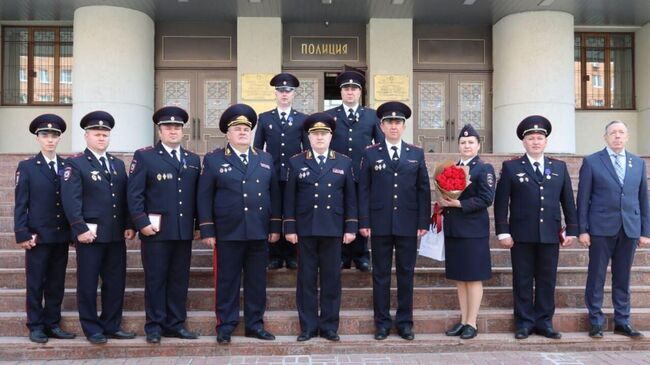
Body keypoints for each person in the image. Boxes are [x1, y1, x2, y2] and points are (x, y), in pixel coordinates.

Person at [197, 103, 281, 344]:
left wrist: (275, 226)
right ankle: (226, 325)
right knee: (227, 281)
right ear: (228, 133)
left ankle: (255, 324)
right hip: (228, 232)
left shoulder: (264, 158)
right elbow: (204, 196)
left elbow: (274, 193)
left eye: (246, 128)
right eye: (237, 129)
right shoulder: (214, 160)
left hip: (258, 230)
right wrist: (207, 228)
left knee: (257, 282)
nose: (243, 132)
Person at [493, 115, 577, 340]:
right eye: (531, 138)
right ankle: (523, 323)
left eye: (540, 138)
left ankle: (544, 322)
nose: (536, 141)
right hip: (521, 235)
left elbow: (568, 201)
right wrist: (503, 231)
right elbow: (502, 202)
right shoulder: (511, 167)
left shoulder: (558, 167)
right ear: (524, 142)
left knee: (547, 279)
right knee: (522, 279)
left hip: (550, 234)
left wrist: (572, 229)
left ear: (546, 141)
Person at [127, 106, 201, 344]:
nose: (173, 131)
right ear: (159, 130)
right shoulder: (145, 156)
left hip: (182, 231)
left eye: (177, 127)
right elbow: (134, 194)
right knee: (156, 279)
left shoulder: (192, 159)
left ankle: (176, 324)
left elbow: (197, 196)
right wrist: (141, 223)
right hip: (155, 231)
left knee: (179, 280)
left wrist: (198, 225)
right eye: (168, 127)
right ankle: (155, 325)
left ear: (183, 131)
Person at [61, 111, 136, 344]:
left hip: (114, 235)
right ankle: (92, 328)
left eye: (105, 134)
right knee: (88, 283)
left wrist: (128, 224)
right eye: (97, 134)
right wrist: (79, 228)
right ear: (86, 136)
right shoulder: (75, 163)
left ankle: (111, 325)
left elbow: (124, 198)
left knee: (115, 282)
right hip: (89, 236)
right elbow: (71, 200)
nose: (102, 137)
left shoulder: (116, 164)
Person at [358, 102, 431, 341]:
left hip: (408, 223)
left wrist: (423, 221)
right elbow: (364, 190)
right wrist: (364, 221)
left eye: (397, 122)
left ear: (404, 126)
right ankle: (381, 323)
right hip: (379, 223)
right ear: (381, 126)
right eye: (389, 122)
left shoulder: (415, 153)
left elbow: (423, 190)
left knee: (406, 273)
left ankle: (405, 323)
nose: (393, 126)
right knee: (380, 274)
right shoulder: (370, 153)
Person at [283, 112, 357, 342]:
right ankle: (307, 326)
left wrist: (351, 228)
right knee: (306, 280)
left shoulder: (343, 162)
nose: (319, 137)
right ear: (309, 137)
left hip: (333, 229)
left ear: (331, 136)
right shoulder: (296, 161)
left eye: (324, 133)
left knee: (331, 280)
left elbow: (350, 198)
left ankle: (329, 327)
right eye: (315, 134)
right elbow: (290, 198)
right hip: (305, 230)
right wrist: (290, 228)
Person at [577, 120, 650, 339]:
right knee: (596, 276)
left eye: (621, 133)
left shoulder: (637, 163)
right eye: (612, 133)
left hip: (629, 228)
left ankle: (622, 320)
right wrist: (583, 229)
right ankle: (596, 322)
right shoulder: (591, 162)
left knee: (622, 277)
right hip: (600, 228)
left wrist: (645, 231)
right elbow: (583, 199)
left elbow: (643, 198)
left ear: (627, 137)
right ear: (605, 137)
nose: (617, 136)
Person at [14, 114, 75, 343]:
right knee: (36, 282)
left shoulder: (67, 165)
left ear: (59, 138)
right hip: (37, 236)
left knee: (56, 283)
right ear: (38, 138)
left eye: (54, 135)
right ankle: (35, 326)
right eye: (45, 135)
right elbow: (21, 203)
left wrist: (72, 231)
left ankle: (52, 323)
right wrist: (22, 233)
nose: (50, 140)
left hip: (60, 234)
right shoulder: (27, 167)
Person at [439, 124, 495, 340]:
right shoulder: (451, 167)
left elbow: (486, 198)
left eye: (471, 142)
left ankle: (472, 322)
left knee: (473, 278)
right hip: (454, 229)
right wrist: (443, 203)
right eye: (463, 142)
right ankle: (463, 320)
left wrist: (458, 205)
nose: (466, 145)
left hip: (473, 231)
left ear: (478, 145)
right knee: (460, 278)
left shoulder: (484, 168)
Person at [326, 70, 384, 272]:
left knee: (362, 212)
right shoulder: (330, 116)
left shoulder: (372, 116)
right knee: (339, 211)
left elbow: (380, 145)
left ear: (360, 92)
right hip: (336, 174)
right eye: (346, 89)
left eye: (354, 89)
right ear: (341, 92)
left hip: (363, 173)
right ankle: (342, 255)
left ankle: (361, 255)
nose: (350, 92)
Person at [254, 73, 309, 270]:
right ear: (275, 94)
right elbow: (258, 149)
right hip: (272, 174)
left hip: (294, 175)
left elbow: (306, 150)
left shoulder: (303, 119)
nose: (284, 94)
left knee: (292, 211)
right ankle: (275, 254)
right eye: (280, 91)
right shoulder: (265, 118)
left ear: (294, 94)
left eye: (288, 91)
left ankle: (291, 254)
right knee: (274, 212)